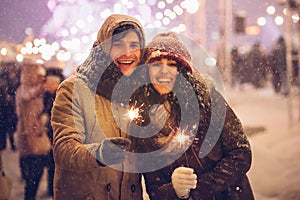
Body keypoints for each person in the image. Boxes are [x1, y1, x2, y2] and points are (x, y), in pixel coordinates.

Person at [129, 32, 254, 199]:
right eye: (156, 64)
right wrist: (174, 190)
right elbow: (153, 188)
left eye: (171, 64)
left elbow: (241, 153)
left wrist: (199, 189)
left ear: (181, 71)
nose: (164, 71)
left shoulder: (207, 101)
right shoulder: (142, 120)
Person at [51, 14, 145, 199]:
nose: (127, 52)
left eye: (134, 45)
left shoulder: (139, 92)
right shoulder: (74, 89)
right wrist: (99, 153)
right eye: (118, 44)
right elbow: (64, 148)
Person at [15, 60, 50, 200]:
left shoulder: (30, 88)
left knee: (36, 171)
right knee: (33, 173)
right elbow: (30, 95)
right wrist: (43, 85)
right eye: (38, 75)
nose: (40, 78)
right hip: (28, 133)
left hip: (36, 132)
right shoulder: (24, 89)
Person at [41, 67, 65, 197]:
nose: (46, 86)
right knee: (52, 164)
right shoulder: (47, 95)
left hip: (58, 134)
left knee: (56, 164)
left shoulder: (61, 94)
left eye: (49, 83)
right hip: (50, 134)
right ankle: (52, 188)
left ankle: (54, 188)